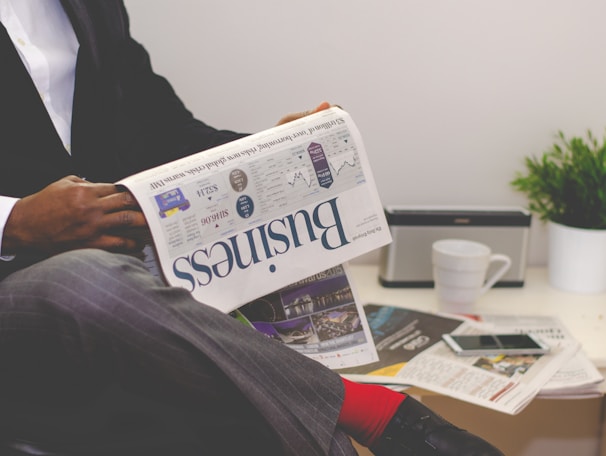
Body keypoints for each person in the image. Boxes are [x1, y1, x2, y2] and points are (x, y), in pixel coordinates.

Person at [0, 1, 505, 455]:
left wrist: (266, 153)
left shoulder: (93, 5)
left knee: (264, 406)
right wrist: (15, 222)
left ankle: (382, 424)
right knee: (87, 282)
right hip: (40, 292)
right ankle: (383, 414)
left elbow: (154, 130)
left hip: (134, 292)